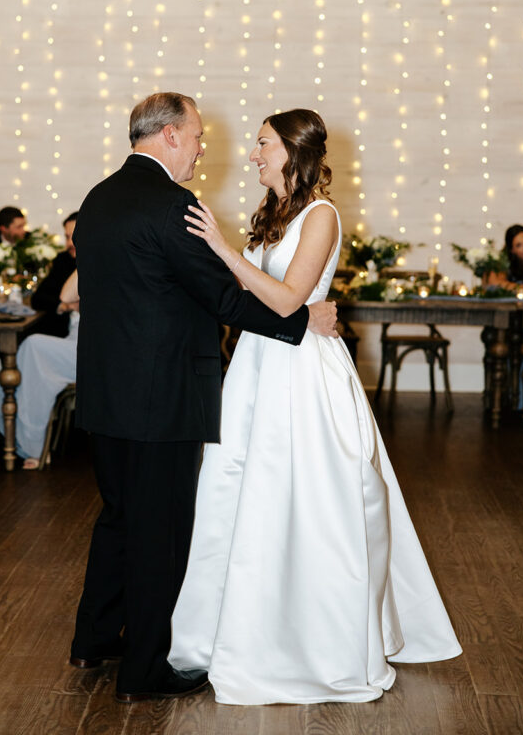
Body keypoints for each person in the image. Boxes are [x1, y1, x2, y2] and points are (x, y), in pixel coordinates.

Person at [168, 108, 461, 705]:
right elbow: (250, 294)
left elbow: (286, 300)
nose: (253, 155)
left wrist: (223, 249)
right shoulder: (273, 214)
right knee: (238, 490)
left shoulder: (320, 216)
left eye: (263, 144)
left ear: (293, 151)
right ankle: (232, 631)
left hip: (301, 372)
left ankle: (315, 643)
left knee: (307, 498)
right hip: (257, 364)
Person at [68, 92, 338, 705]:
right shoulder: (173, 205)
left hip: (106, 393)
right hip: (162, 396)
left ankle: (92, 639)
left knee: (117, 516)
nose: (201, 148)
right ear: (168, 135)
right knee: (159, 532)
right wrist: (302, 323)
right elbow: (221, 297)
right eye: (195, 136)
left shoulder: (99, 197)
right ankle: (144, 672)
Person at [0, 268, 80, 468]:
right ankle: (33, 446)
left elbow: (68, 296)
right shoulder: (72, 263)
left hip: (96, 348)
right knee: (34, 364)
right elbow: (49, 297)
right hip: (73, 340)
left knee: (33, 346)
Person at [30, 212, 78, 336]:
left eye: (74, 237)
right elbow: (37, 298)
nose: (69, 243)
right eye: (67, 237)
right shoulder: (63, 260)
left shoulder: (99, 262)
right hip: (63, 329)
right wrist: (65, 306)